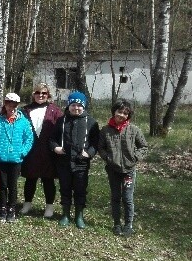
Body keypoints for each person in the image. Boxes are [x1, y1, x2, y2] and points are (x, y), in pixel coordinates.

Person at [49, 91, 99, 229]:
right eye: (73, 105)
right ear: (69, 105)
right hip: (64, 162)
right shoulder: (61, 121)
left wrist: (89, 153)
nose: (76, 108)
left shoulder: (91, 122)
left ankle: (79, 216)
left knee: (80, 189)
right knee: (65, 188)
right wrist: (55, 148)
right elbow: (52, 139)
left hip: (81, 163)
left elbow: (96, 143)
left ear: (84, 106)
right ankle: (65, 215)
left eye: (79, 105)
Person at [98, 99, 148, 236]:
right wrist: (108, 158)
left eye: (125, 114)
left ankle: (128, 225)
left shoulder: (134, 130)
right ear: (114, 112)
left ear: (129, 116)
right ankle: (116, 224)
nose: (121, 115)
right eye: (119, 112)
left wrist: (135, 158)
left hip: (129, 171)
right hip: (113, 170)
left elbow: (143, 147)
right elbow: (100, 147)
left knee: (127, 197)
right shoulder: (105, 130)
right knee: (115, 197)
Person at [20, 83, 64, 218]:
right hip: (31, 151)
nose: (40, 95)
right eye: (38, 92)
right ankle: (27, 203)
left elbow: (61, 131)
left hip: (48, 152)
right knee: (30, 178)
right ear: (33, 94)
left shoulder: (55, 111)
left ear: (48, 95)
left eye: (44, 93)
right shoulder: (24, 110)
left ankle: (49, 206)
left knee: (48, 180)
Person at [0, 92, 34, 223]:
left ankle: (12, 209)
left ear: (17, 105)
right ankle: (3, 207)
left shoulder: (23, 121)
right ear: (5, 104)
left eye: (14, 104)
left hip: (16, 158)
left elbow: (29, 138)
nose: (11, 107)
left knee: (13, 185)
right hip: (1, 158)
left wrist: (22, 152)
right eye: (9, 104)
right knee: (3, 185)